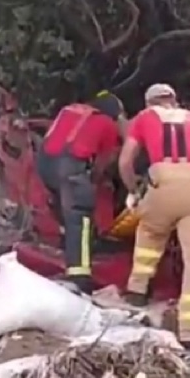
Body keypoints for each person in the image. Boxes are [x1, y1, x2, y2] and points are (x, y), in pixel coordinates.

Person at [118, 83, 190, 351]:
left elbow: (125, 162)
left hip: (162, 182)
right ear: (173, 100)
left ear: (149, 102)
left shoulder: (144, 118)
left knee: (150, 231)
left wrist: (134, 189)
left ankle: (137, 290)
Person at [37, 91, 125, 293]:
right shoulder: (107, 124)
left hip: (44, 164)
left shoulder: (69, 111)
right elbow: (104, 162)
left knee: (65, 210)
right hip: (70, 167)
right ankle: (79, 275)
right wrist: (94, 180)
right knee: (80, 217)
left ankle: (66, 243)